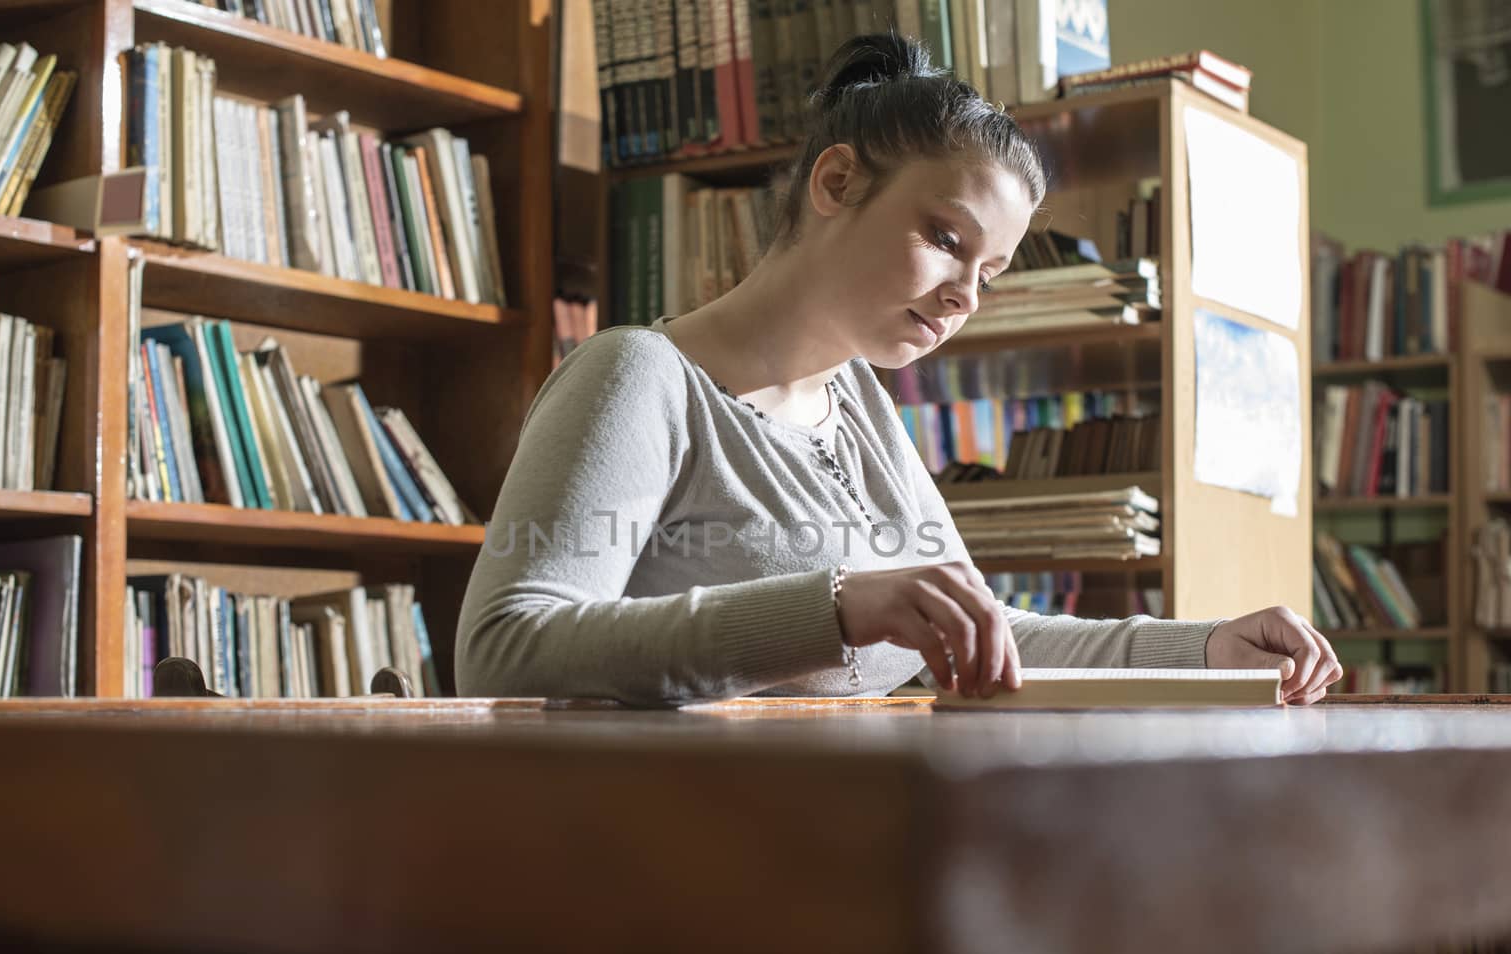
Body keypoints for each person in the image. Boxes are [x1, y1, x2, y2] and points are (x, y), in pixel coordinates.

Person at [454, 31, 1342, 707]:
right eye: (946, 241)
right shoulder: (639, 378)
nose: (964, 297)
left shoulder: (862, 409)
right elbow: (503, 646)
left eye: (988, 274)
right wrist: (832, 608)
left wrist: (1205, 649)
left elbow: (989, 637)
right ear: (835, 182)